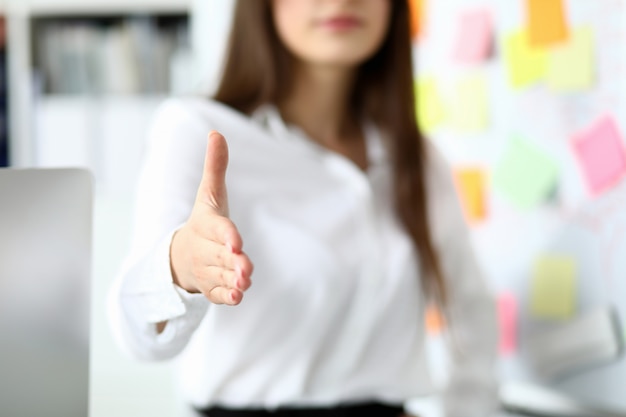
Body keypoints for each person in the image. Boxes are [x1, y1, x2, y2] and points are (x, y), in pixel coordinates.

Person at [108, 1, 499, 416]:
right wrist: (181, 266)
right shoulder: (195, 131)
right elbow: (137, 334)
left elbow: (471, 311)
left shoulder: (416, 158)